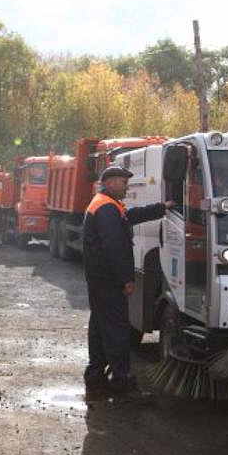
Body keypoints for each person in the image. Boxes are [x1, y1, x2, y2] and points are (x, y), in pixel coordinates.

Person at [82, 166, 171, 396]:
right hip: (108, 279)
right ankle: (121, 380)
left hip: (99, 278)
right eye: (123, 182)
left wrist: (162, 208)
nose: (126, 186)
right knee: (117, 328)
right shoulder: (105, 208)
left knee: (100, 327)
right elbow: (115, 247)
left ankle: (95, 375)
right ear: (110, 182)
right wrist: (126, 279)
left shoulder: (107, 205)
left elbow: (130, 217)